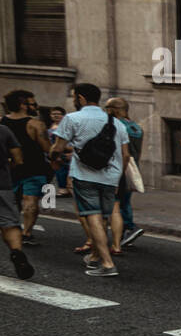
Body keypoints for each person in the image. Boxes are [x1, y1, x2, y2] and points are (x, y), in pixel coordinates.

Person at [49, 83, 131, 277]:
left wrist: (53, 157)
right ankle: (95, 257)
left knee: (92, 216)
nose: (75, 101)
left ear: (81, 98)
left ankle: (107, 263)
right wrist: (118, 177)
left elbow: (58, 148)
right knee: (102, 218)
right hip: (111, 177)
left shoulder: (72, 118)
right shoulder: (116, 122)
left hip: (85, 175)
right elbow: (125, 154)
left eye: (75, 97)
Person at [2, 89, 52, 246]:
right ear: (23, 105)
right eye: (33, 104)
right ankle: (27, 233)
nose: (35, 107)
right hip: (34, 167)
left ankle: (9, 229)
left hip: (9, 168)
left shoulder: (2, 122)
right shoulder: (36, 124)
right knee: (30, 200)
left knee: (11, 201)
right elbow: (46, 148)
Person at [105, 98, 145, 249]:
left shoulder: (117, 126)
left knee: (116, 202)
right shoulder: (136, 127)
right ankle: (123, 233)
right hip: (132, 168)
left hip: (120, 167)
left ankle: (130, 227)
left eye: (107, 108)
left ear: (113, 109)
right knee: (125, 201)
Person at [0, 121, 35, 279]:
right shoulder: (3, 130)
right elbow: (18, 159)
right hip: (3, 183)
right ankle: (17, 252)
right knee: (9, 222)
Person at [41, 106, 71, 196]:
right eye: (54, 114)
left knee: (62, 171)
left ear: (63, 116)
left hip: (63, 152)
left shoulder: (66, 126)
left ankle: (64, 189)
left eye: (58, 114)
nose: (56, 116)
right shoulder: (50, 126)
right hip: (51, 152)